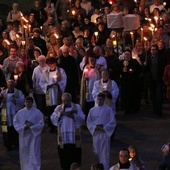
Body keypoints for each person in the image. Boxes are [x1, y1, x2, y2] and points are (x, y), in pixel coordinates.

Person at [51, 93, 85, 170]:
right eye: (64, 101)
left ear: (71, 100)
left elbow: (82, 118)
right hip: (63, 138)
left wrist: (73, 116)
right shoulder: (58, 108)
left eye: (68, 100)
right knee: (64, 160)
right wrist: (60, 114)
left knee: (75, 158)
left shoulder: (77, 107)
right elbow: (53, 120)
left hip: (74, 139)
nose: (66, 102)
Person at [87, 93, 116, 170]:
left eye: (101, 99)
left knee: (105, 153)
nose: (99, 101)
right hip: (96, 134)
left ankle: (105, 168)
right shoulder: (92, 110)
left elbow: (113, 122)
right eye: (98, 99)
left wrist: (105, 128)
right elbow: (89, 122)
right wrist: (94, 127)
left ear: (104, 100)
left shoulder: (108, 109)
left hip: (104, 134)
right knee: (96, 152)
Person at [13, 96, 44, 170]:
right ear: (24, 102)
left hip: (34, 136)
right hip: (24, 136)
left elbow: (41, 124)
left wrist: (32, 127)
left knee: (34, 153)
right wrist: (23, 128)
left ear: (32, 103)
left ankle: (36, 168)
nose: (27, 103)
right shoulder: (20, 113)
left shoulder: (37, 112)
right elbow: (15, 123)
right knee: (25, 153)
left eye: (29, 102)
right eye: (26, 102)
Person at [39, 57, 67, 132]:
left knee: (58, 109)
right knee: (50, 110)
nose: (51, 65)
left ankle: (59, 125)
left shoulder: (61, 71)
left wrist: (59, 84)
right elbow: (41, 82)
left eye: (52, 64)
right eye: (49, 64)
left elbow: (64, 81)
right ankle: (51, 126)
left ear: (55, 63)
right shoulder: (45, 73)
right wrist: (47, 86)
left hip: (58, 92)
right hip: (50, 94)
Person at [0, 80, 24, 150]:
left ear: (14, 85)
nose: (10, 86)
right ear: (7, 85)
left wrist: (16, 101)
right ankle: (7, 144)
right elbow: (1, 103)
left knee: (14, 127)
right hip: (5, 113)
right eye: (9, 85)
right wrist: (1, 100)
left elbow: (22, 101)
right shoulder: (3, 92)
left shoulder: (18, 92)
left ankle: (16, 142)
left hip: (14, 112)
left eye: (11, 85)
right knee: (6, 128)